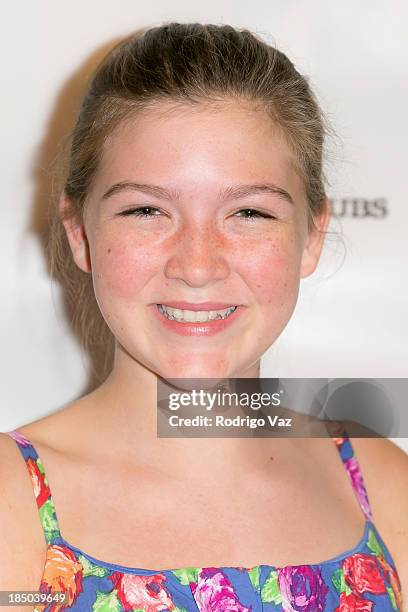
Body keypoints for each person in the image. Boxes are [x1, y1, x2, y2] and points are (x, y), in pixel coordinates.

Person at [0, 22, 406, 611]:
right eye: (146, 210)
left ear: (312, 235)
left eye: (248, 213)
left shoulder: (380, 482)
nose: (196, 265)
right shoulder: (12, 505)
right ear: (80, 234)